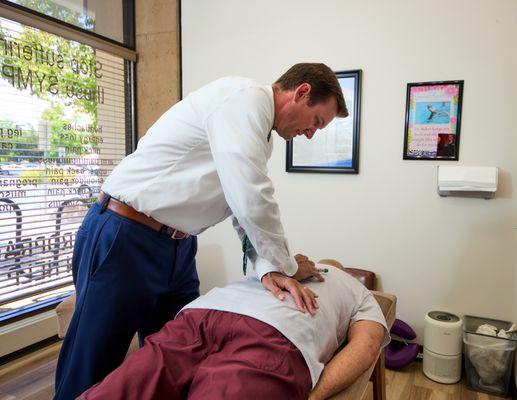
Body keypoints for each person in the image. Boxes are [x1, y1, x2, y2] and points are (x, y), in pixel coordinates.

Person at [54, 63, 348, 400]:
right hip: (126, 234)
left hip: (178, 249)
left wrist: (269, 270)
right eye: (316, 122)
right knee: (92, 362)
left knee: (175, 360)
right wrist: (288, 266)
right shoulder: (244, 100)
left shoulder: (261, 137)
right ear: (302, 92)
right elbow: (252, 199)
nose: (311, 134)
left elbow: (241, 207)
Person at [77, 264, 389, 400]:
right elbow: (367, 345)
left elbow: (367, 346)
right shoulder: (294, 263)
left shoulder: (352, 289)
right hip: (234, 325)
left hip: (231, 324)